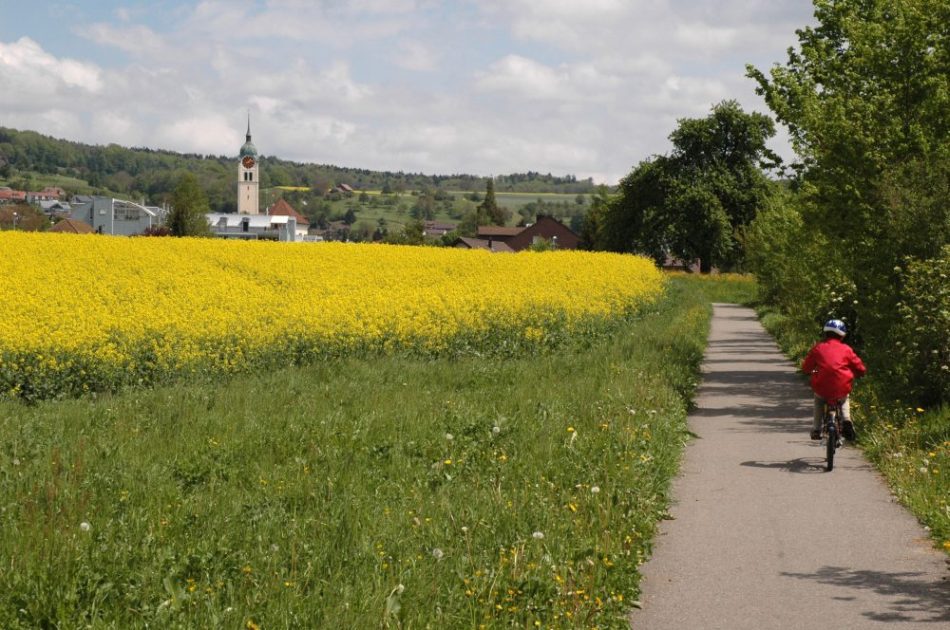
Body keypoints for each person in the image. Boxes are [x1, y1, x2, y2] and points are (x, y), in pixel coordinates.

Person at [801, 319, 866, 441]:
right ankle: (846, 419)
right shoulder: (846, 349)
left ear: (825, 334)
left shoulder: (818, 348)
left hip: (822, 387)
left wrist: (813, 372)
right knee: (844, 399)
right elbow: (859, 366)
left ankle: (816, 428)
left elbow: (807, 368)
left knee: (819, 401)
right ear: (842, 335)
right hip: (842, 385)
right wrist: (860, 373)